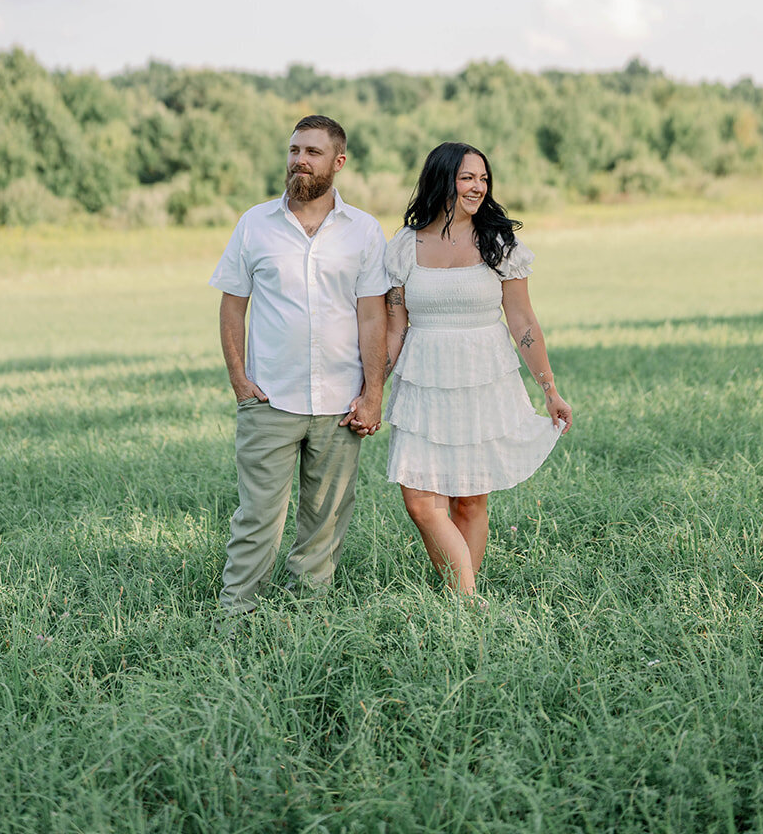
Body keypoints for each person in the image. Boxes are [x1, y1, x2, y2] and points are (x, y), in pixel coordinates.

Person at [210, 115, 389, 612]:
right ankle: (236, 615)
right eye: (294, 150)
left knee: (325, 521)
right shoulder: (255, 224)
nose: (299, 160)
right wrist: (239, 380)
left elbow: (373, 316)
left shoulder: (363, 231)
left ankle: (304, 615)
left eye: (312, 152)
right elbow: (232, 306)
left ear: (338, 161)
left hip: (340, 403)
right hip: (270, 397)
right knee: (256, 518)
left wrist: (373, 394)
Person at [383, 141, 572, 598]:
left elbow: (523, 321)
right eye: (467, 177)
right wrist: (370, 389)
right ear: (442, 179)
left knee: (469, 499)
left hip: (482, 378)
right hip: (424, 382)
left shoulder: (499, 243)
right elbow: (394, 328)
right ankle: (468, 603)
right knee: (421, 502)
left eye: (483, 178)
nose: (478, 187)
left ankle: (461, 606)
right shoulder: (405, 246)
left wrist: (549, 390)